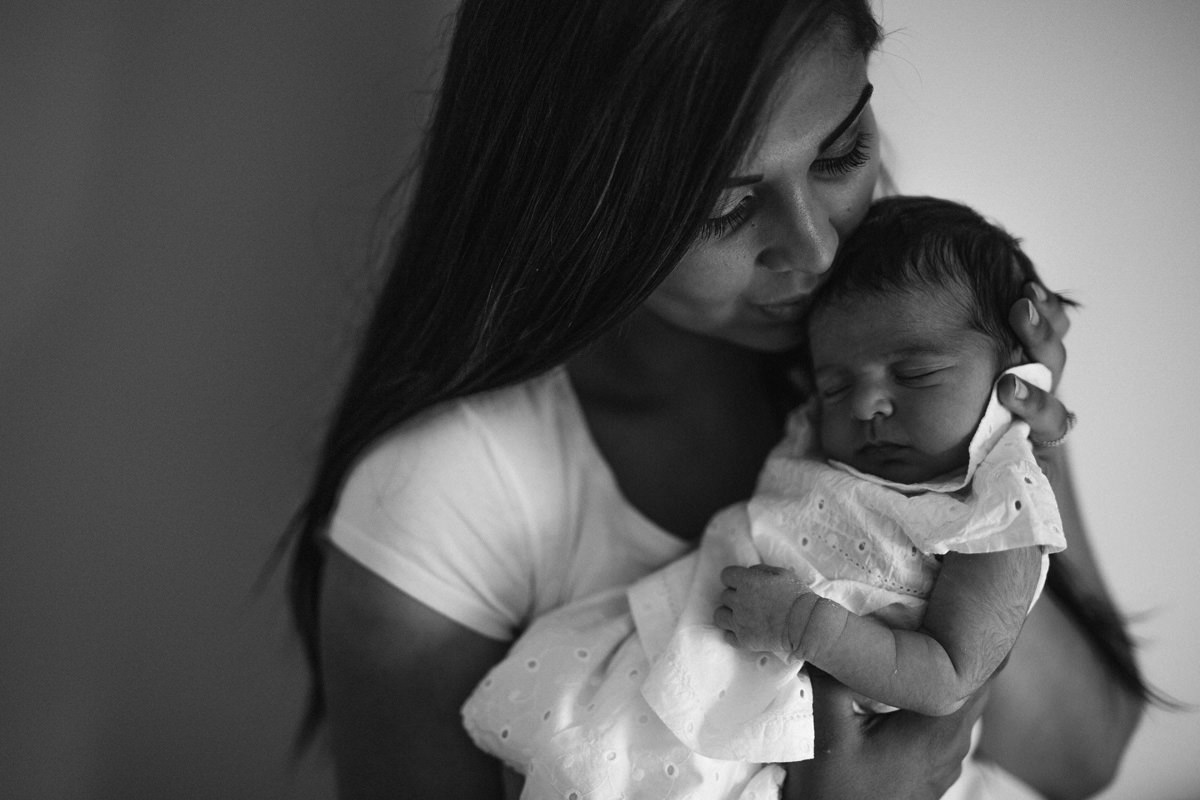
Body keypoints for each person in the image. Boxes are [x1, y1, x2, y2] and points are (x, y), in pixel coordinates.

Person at [284, 1, 1146, 798]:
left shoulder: (942, 362)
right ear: (570, 201)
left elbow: (1084, 756)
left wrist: (1002, 444)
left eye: (841, 154)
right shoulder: (446, 500)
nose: (812, 248)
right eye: (723, 208)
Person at [458, 195, 1069, 799]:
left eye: (915, 376)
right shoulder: (830, 438)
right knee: (563, 738)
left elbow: (948, 678)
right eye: (835, 385)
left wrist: (805, 624)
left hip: (782, 735)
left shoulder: (998, 510)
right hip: (684, 641)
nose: (864, 405)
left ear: (1019, 381)